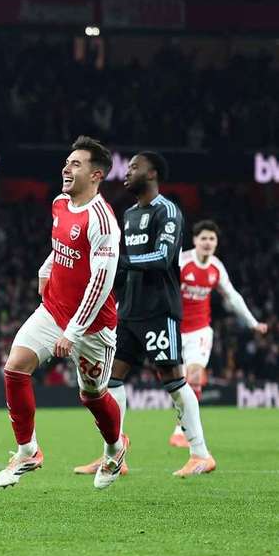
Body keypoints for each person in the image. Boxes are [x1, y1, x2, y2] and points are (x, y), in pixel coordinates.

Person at [0, 136, 125, 490]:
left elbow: (101, 282)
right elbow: (61, 245)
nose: (66, 168)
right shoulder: (60, 203)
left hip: (92, 325)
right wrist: (46, 267)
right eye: (67, 162)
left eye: (76, 164)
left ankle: (115, 449)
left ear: (96, 175)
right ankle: (28, 451)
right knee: (15, 367)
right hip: (53, 310)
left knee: (92, 395)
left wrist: (74, 331)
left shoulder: (103, 222)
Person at [74, 151, 217, 478]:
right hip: (130, 311)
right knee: (110, 380)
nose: (127, 172)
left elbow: (163, 257)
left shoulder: (167, 210)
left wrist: (122, 262)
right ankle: (115, 454)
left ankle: (200, 454)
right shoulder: (129, 214)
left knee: (173, 379)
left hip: (159, 309)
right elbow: (127, 266)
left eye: (134, 167)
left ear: (152, 174)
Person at [170, 220, 268, 446]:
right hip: (174, 329)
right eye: (203, 238)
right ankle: (184, 425)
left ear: (216, 242)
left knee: (194, 376)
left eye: (211, 239)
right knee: (178, 383)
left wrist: (252, 323)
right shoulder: (182, 262)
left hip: (200, 331)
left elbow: (232, 296)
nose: (207, 242)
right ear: (195, 240)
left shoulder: (216, 267)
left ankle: (181, 431)